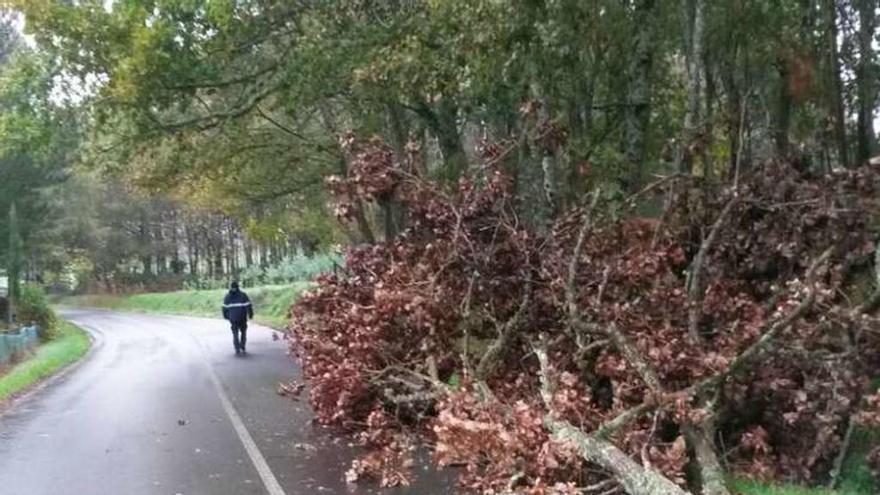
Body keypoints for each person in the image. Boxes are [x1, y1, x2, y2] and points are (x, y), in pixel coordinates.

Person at [222, 281, 253, 355]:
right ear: (238, 287)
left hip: (233, 318)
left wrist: (226, 316)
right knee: (243, 332)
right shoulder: (243, 295)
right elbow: (248, 306)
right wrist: (250, 314)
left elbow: (224, 308)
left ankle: (237, 348)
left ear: (231, 287)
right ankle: (242, 347)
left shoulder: (227, 297)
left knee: (235, 333)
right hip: (242, 317)